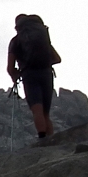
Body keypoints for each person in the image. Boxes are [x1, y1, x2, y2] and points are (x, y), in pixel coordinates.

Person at [7, 13, 61, 141]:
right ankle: (51, 139)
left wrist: (16, 75)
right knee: (46, 113)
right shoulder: (42, 38)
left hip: (29, 75)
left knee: (37, 109)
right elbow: (57, 59)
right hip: (46, 73)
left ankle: (42, 139)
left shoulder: (15, 41)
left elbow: (9, 67)